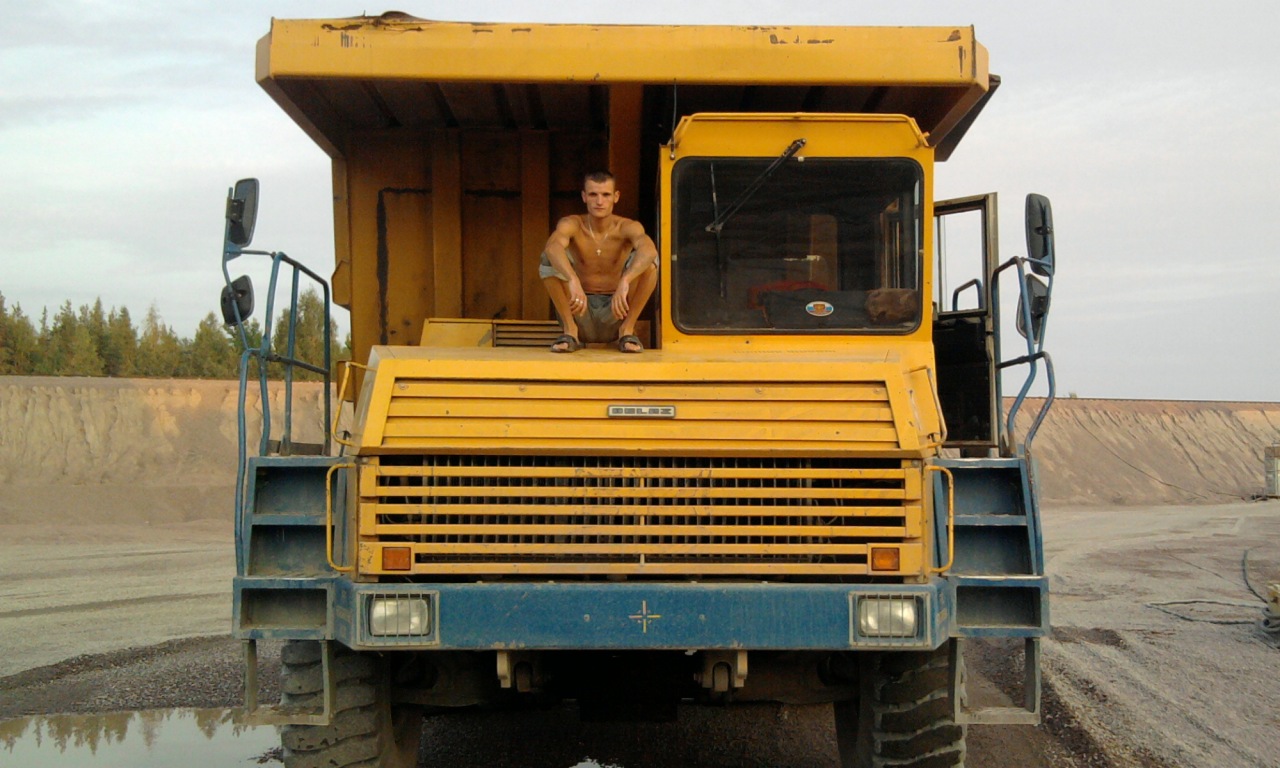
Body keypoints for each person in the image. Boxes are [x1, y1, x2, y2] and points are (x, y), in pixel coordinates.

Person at [540, 171, 659, 353]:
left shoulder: (627, 227)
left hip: (617, 309)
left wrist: (625, 280)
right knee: (549, 258)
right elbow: (552, 247)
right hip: (578, 307)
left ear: (616, 197)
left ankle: (627, 331)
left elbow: (649, 250)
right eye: (593, 194)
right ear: (584, 196)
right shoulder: (573, 224)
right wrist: (572, 278)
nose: (599, 201)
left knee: (650, 264)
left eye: (606, 195)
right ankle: (570, 332)